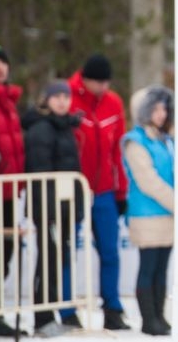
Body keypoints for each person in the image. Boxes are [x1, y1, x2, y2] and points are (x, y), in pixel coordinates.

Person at [68, 53, 130, 330]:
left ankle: (113, 308)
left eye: (107, 82)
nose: (103, 88)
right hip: (73, 189)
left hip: (104, 189)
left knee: (109, 251)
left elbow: (118, 150)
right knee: (68, 250)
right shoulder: (67, 98)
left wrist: (121, 191)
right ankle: (66, 309)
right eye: (98, 82)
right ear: (85, 80)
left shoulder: (113, 102)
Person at [22, 80, 85, 336]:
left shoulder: (65, 127)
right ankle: (42, 318)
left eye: (66, 96)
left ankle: (50, 314)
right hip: (48, 209)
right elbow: (41, 174)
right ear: (46, 99)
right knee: (47, 261)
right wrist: (48, 212)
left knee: (58, 262)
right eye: (56, 96)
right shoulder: (41, 129)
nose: (62, 101)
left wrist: (76, 206)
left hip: (64, 207)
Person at [122, 86, 178, 336]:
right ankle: (148, 318)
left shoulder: (166, 140)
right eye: (155, 109)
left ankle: (159, 314)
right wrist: (177, 202)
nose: (162, 114)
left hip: (166, 212)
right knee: (149, 266)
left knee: (162, 267)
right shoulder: (135, 141)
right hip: (147, 213)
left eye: (164, 108)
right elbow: (147, 180)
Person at [0, 43, 25, 337]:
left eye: (3, 62)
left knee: (5, 249)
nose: (0, 67)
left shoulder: (10, 102)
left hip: (7, 191)